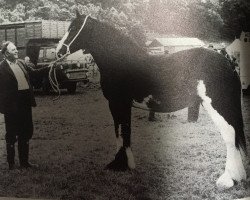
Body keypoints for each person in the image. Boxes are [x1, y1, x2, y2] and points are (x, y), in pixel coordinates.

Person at [0, 41, 49, 170]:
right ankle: (11, 164)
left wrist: (50, 66)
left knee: (26, 132)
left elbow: (35, 73)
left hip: (25, 103)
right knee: (11, 134)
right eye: (13, 50)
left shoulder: (22, 63)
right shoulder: (1, 68)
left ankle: (24, 162)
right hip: (11, 106)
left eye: (16, 49)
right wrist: (3, 106)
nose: (16, 51)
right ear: (6, 53)